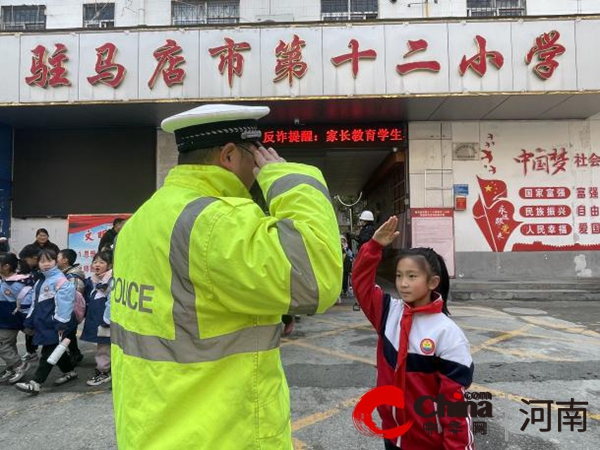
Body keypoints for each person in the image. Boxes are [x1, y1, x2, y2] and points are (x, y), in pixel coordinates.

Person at [110, 104, 342, 449]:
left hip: (151, 427)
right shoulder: (215, 222)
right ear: (230, 155)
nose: (258, 167)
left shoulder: (146, 217)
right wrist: (289, 181)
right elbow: (315, 279)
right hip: (220, 434)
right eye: (255, 156)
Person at [352, 216, 474, 450]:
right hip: (392, 436)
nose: (403, 284)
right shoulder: (388, 313)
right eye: (399, 276)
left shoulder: (447, 333)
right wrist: (373, 247)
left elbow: (454, 405)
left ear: (432, 282)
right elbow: (362, 285)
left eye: (412, 276)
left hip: (429, 442)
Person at [15, 249, 79, 395]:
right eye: (42, 261)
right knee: (57, 350)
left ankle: (36, 383)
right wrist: (29, 322)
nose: (46, 264)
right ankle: (69, 371)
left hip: (57, 325)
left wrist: (61, 325)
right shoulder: (39, 281)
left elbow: (65, 305)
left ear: (56, 261)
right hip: (45, 324)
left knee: (48, 353)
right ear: (38, 263)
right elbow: (34, 303)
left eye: (49, 260)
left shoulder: (61, 280)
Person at [0, 253, 33, 384]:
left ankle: (19, 365)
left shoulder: (16, 284)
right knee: (8, 344)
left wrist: (26, 322)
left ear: (6, 267)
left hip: (10, 320)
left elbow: (25, 304)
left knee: (2, 344)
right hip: (5, 319)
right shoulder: (7, 280)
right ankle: (12, 367)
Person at [81, 251, 112, 386]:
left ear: (110, 265)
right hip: (96, 319)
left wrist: (107, 319)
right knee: (102, 345)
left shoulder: (111, 281)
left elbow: (112, 302)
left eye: (101, 262)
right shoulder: (94, 280)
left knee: (104, 347)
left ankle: (103, 372)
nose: (97, 265)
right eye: (95, 262)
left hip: (105, 322)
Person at [57, 249, 86, 365]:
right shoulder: (64, 273)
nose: (55, 260)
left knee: (67, 334)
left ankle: (74, 356)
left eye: (58, 257)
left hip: (70, 311)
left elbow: (74, 297)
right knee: (69, 335)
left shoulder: (72, 277)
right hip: (66, 310)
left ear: (65, 260)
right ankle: (75, 353)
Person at [17, 244, 41, 362]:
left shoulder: (38, 272)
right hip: (26, 307)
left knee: (31, 329)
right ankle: (31, 352)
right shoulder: (25, 271)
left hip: (34, 306)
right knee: (29, 330)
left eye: (25, 260)